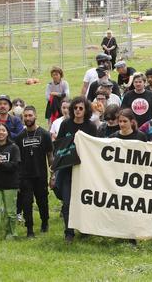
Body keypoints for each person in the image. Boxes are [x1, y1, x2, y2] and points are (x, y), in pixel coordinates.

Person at [55, 96, 97, 242]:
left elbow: (95, 148)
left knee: (84, 202)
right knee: (67, 202)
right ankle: (69, 232)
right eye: (75, 108)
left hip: (84, 170)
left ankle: (85, 230)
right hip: (67, 169)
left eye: (81, 108)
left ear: (86, 110)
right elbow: (59, 145)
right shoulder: (66, 124)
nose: (78, 110)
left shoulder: (91, 126)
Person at [15, 106, 52, 238]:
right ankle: (29, 230)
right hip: (25, 176)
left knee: (42, 201)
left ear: (35, 116)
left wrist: (52, 174)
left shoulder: (44, 134)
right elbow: (17, 160)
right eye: (25, 116)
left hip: (40, 174)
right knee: (26, 202)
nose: (28, 118)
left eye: (30, 115)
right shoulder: (19, 137)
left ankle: (44, 222)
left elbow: (50, 155)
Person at [0, 123, 21, 240]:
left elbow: (14, 166)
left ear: (7, 133)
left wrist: (0, 163)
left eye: (3, 130)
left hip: (10, 184)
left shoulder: (14, 147)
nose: (1, 133)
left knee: (10, 211)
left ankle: (11, 233)